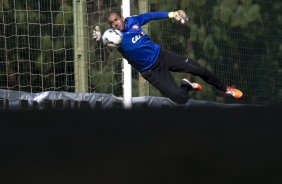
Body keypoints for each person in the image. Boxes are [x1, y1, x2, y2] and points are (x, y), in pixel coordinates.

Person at [93, 10, 243, 104]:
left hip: (162, 56)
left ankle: (226, 89)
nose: (115, 24)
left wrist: (172, 14)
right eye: (112, 23)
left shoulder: (134, 20)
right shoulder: (115, 39)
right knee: (180, 99)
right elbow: (109, 40)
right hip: (151, 72)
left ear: (122, 18)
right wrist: (101, 38)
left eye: (116, 20)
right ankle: (186, 85)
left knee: (199, 69)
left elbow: (151, 16)